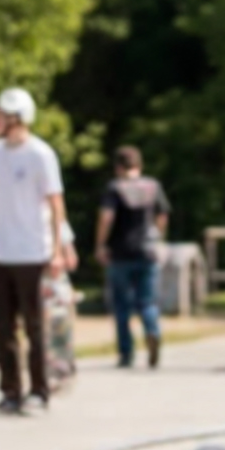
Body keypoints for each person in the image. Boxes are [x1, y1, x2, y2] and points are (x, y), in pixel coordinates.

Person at [0, 87, 71, 414]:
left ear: (18, 118)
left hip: (33, 250)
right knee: (1, 326)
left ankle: (39, 391)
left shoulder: (40, 155)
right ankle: (10, 391)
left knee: (34, 326)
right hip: (1, 250)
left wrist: (57, 250)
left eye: (1, 115)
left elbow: (56, 204)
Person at [96, 144, 169, 368]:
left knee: (121, 306)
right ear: (139, 164)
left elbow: (106, 217)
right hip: (148, 250)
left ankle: (126, 353)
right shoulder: (152, 186)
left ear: (118, 167)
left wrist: (100, 244)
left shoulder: (115, 188)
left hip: (120, 252)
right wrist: (158, 238)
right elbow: (163, 214)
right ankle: (152, 332)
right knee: (147, 302)